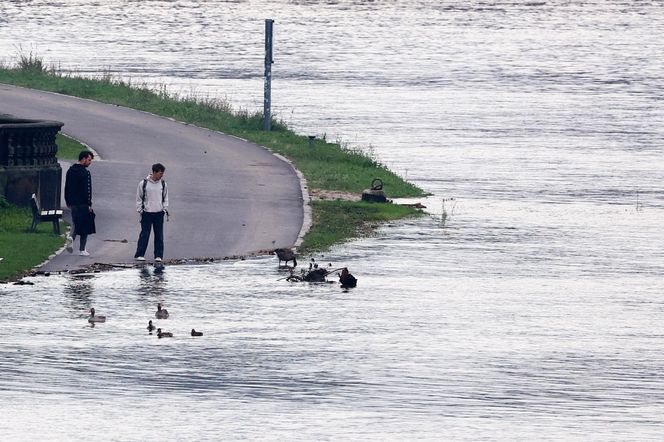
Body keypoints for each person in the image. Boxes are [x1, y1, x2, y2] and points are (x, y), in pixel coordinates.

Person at [134, 163, 169, 262]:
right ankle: (139, 254)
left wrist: (164, 209)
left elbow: (165, 197)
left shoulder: (163, 184)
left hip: (159, 213)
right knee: (144, 234)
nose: (162, 175)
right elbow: (139, 198)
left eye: (162, 173)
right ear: (154, 172)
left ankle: (158, 256)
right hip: (146, 213)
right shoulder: (143, 183)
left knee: (159, 235)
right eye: (160, 173)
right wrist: (140, 210)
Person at [64, 151, 95, 256]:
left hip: (72, 202)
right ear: (84, 159)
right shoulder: (85, 173)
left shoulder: (70, 171)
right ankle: (82, 249)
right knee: (85, 225)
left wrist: (67, 200)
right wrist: (89, 204)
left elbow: (67, 187)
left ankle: (71, 238)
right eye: (89, 160)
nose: (90, 162)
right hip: (83, 203)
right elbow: (87, 190)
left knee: (75, 222)